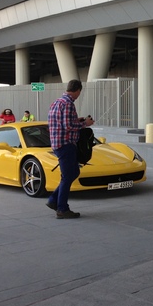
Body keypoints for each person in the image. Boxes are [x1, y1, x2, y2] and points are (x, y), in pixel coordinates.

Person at [46, 79, 94, 219]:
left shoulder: (56, 102)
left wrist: (76, 120)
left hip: (57, 143)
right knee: (67, 176)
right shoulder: (68, 104)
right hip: (66, 144)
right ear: (77, 90)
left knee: (73, 172)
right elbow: (68, 127)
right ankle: (62, 209)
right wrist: (85, 123)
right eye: (80, 92)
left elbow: (60, 122)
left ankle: (53, 200)